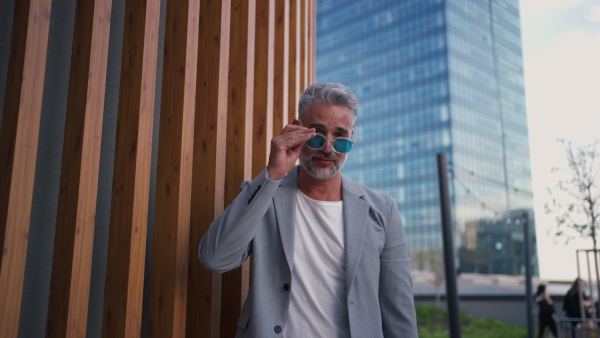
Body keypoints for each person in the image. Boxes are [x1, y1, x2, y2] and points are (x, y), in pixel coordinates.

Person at [198, 83, 418, 337]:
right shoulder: (265, 195)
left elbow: (397, 307)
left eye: (340, 137)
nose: (328, 148)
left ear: (352, 138)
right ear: (297, 129)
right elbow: (215, 259)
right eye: (317, 134)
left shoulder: (382, 209)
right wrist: (273, 175)